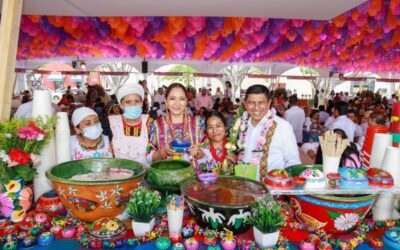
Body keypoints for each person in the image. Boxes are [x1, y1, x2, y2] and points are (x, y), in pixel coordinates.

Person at [238, 84, 300, 181]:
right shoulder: (241, 125)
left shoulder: (282, 126)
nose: (256, 108)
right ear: (245, 104)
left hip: (273, 191)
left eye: (261, 103)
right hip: (245, 189)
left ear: (269, 103)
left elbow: (293, 162)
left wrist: (281, 183)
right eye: (251, 103)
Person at [147, 83, 209, 164]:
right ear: (166, 101)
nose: (177, 103)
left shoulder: (197, 123)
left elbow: (207, 152)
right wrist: (162, 152)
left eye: (182, 99)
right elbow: (149, 157)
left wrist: (198, 152)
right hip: (165, 175)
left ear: (186, 101)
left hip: (193, 175)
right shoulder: (157, 125)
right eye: (172, 98)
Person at [108, 84, 151, 166]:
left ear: (142, 103)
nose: (133, 105)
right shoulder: (112, 123)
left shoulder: (149, 122)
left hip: (145, 173)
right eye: (128, 102)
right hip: (119, 174)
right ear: (121, 105)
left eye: (137, 101)